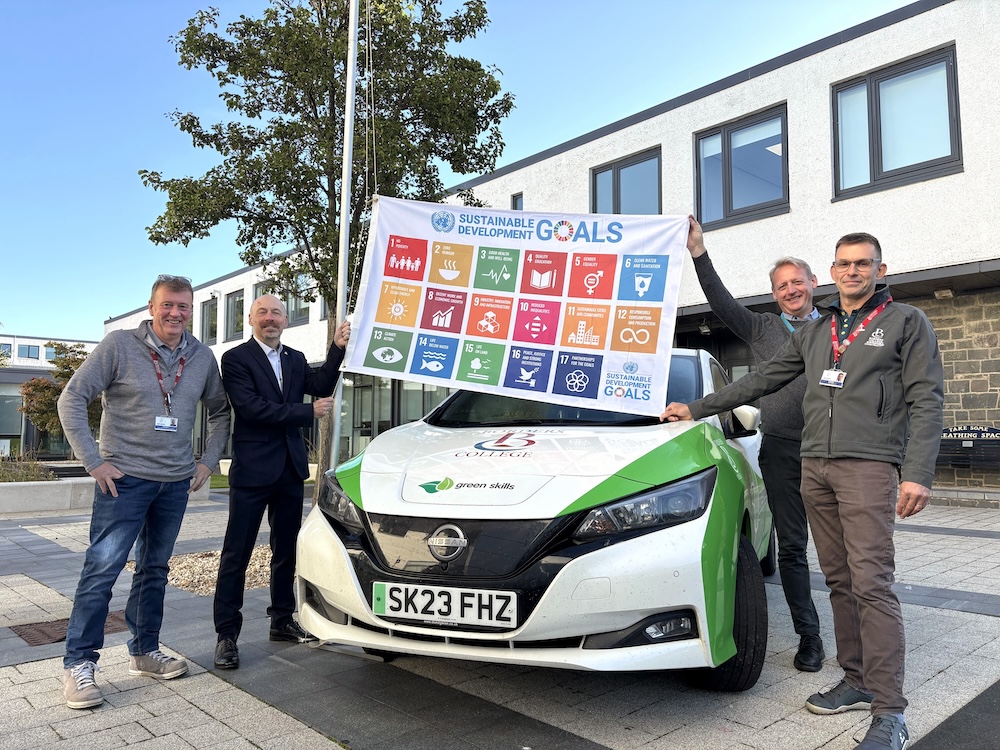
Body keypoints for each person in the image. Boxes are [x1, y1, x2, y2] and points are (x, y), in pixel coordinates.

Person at [662, 233, 943, 750]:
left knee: (872, 584)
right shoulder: (818, 332)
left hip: (868, 465)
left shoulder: (905, 322)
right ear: (833, 271)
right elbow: (764, 379)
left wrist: (918, 471)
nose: (853, 271)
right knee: (837, 579)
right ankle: (855, 679)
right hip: (813, 465)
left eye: (863, 264)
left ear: (881, 268)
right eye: (845, 263)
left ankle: (890, 711)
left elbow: (927, 398)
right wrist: (698, 407)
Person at [57, 274, 231, 709]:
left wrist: (208, 462)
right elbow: (71, 398)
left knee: (154, 569)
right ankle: (79, 664)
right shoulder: (118, 345)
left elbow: (220, 413)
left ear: (193, 311)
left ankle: (144, 651)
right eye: (168, 305)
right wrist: (94, 461)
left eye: (183, 307)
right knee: (102, 570)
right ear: (151, 308)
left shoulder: (202, 356)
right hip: (125, 481)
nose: (175, 313)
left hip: (174, 484)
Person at [684, 215, 827, 672]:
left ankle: (863, 631)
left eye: (797, 282)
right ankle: (809, 636)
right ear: (775, 293)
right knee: (790, 547)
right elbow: (722, 303)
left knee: (843, 548)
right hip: (783, 450)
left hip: (834, 449)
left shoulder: (839, 327)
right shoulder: (762, 329)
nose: (790, 290)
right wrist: (699, 255)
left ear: (812, 283)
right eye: (782, 286)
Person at [213, 294, 350, 669]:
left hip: (290, 471)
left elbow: (322, 383)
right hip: (253, 472)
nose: (269, 319)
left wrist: (337, 348)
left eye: (276, 313)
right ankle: (227, 635)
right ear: (251, 319)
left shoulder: (294, 359)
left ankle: (282, 620)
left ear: (285, 321)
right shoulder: (236, 359)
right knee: (236, 555)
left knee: (286, 551)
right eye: (262, 313)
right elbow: (251, 408)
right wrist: (307, 411)